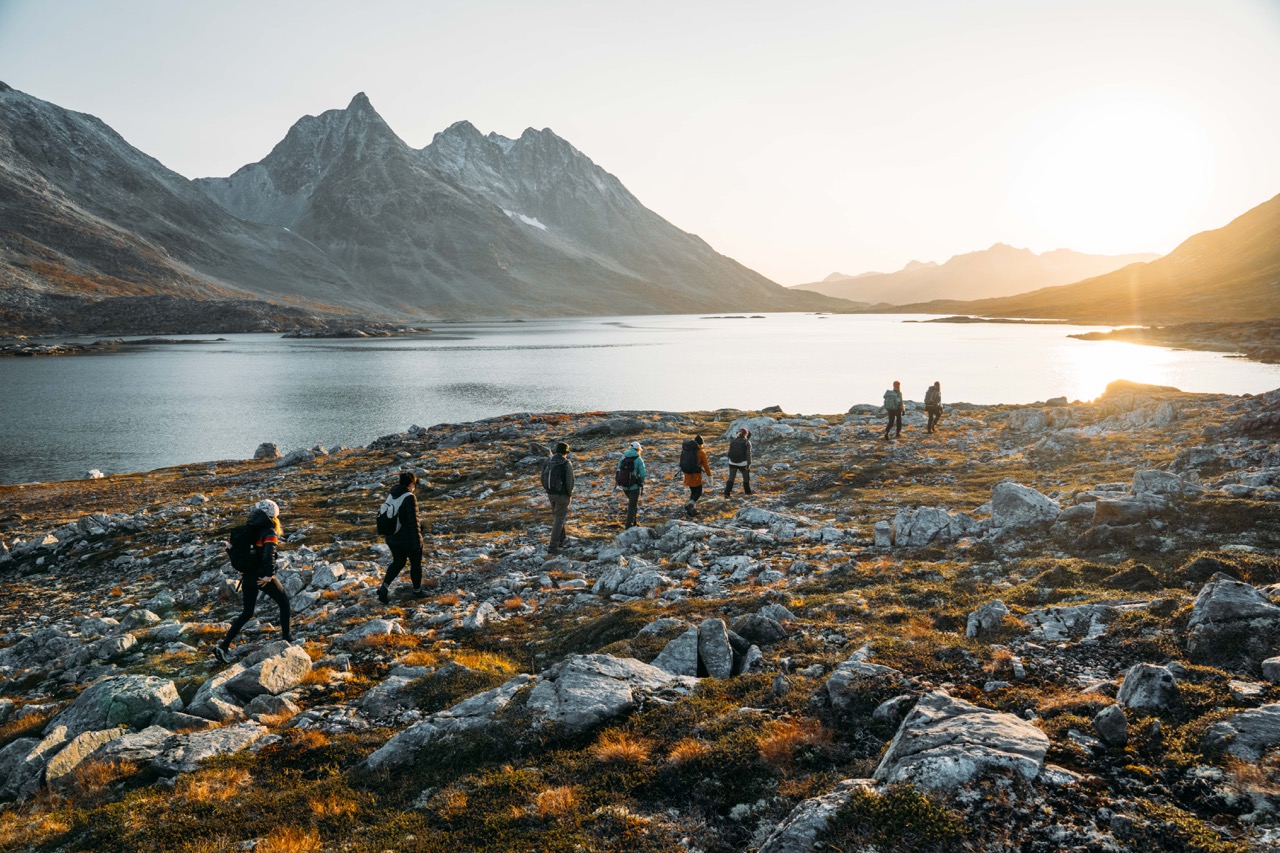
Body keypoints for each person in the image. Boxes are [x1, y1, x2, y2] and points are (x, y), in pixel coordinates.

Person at [214, 499, 290, 661]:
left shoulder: (250, 529)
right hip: (261, 576)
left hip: (247, 576)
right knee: (284, 603)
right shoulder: (269, 532)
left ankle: (224, 646)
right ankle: (287, 639)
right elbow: (268, 554)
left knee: (247, 612)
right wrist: (269, 575)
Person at [377, 471, 424, 603]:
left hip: (392, 537)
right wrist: (418, 541)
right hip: (407, 538)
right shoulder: (409, 497)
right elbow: (413, 522)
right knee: (415, 564)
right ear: (411, 483)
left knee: (398, 562)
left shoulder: (392, 494)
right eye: (415, 484)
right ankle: (417, 591)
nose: (415, 487)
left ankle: (384, 587)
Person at [541, 441, 575, 553]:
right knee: (559, 519)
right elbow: (570, 481)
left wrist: (548, 490)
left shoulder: (548, 461)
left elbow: (542, 477)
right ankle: (553, 546)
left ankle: (562, 540)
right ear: (565, 452)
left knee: (558, 516)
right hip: (562, 495)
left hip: (551, 493)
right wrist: (569, 494)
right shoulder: (566, 463)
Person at [680, 434, 712, 518]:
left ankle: (691, 511)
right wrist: (709, 476)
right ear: (701, 443)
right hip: (696, 475)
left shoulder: (687, 450)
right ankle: (690, 506)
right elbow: (706, 465)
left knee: (693, 491)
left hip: (687, 474)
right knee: (698, 492)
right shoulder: (701, 452)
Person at [617, 441, 647, 528]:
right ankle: (628, 525)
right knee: (632, 506)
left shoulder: (623, 457)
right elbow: (643, 473)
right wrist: (641, 482)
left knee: (633, 504)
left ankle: (634, 523)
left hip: (624, 486)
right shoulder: (638, 459)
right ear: (638, 449)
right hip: (634, 486)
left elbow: (618, 470)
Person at [724, 427, 753, 497]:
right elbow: (748, 454)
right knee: (746, 478)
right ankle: (747, 492)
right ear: (746, 434)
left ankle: (726, 493)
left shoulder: (733, 441)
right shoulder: (747, 442)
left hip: (732, 462)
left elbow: (729, 452)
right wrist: (749, 464)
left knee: (731, 478)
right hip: (743, 463)